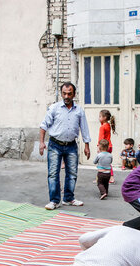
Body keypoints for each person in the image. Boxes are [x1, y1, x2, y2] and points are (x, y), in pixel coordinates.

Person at [39, 82, 91, 210]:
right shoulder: (54, 108)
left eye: (69, 93)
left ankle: (68, 198)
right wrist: (41, 142)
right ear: (61, 93)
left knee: (72, 173)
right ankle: (54, 200)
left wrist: (87, 145)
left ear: (74, 94)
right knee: (53, 173)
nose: (66, 96)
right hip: (55, 145)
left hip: (71, 145)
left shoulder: (79, 111)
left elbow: (84, 129)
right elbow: (43, 125)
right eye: (64, 93)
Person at [98, 109, 115, 183]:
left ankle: (110, 177)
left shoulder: (102, 127)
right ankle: (108, 177)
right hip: (109, 146)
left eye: (100, 116)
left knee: (102, 163)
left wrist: (99, 147)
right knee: (107, 163)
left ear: (104, 117)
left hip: (104, 147)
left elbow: (101, 138)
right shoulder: (108, 125)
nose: (99, 118)